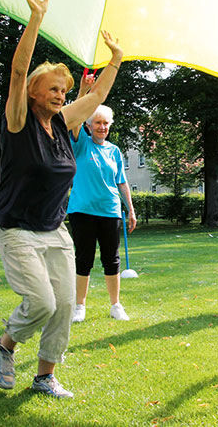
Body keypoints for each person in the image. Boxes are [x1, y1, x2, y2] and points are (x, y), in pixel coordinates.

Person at [0, 0, 123, 397]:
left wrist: (116, 60)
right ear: (34, 93)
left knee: (65, 304)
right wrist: (36, 18)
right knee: (42, 303)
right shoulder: (17, 121)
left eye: (64, 91)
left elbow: (98, 93)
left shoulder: (65, 126)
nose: (61, 96)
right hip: (16, 228)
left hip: (54, 230)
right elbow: (16, 71)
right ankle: (4, 346)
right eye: (53, 89)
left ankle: (45, 376)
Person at [66, 92, 137, 323]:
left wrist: (131, 209)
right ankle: (79, 306)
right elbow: (73, 116)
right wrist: (85, 91)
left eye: (106, 123)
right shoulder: (80, 144)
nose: (102, 127)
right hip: (82, 210)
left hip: (110, 211)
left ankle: (115, 305)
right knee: (84, 258)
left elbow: (122, 182)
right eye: (97, 122)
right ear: (88, 125)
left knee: (112, 259)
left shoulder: (114, 151)